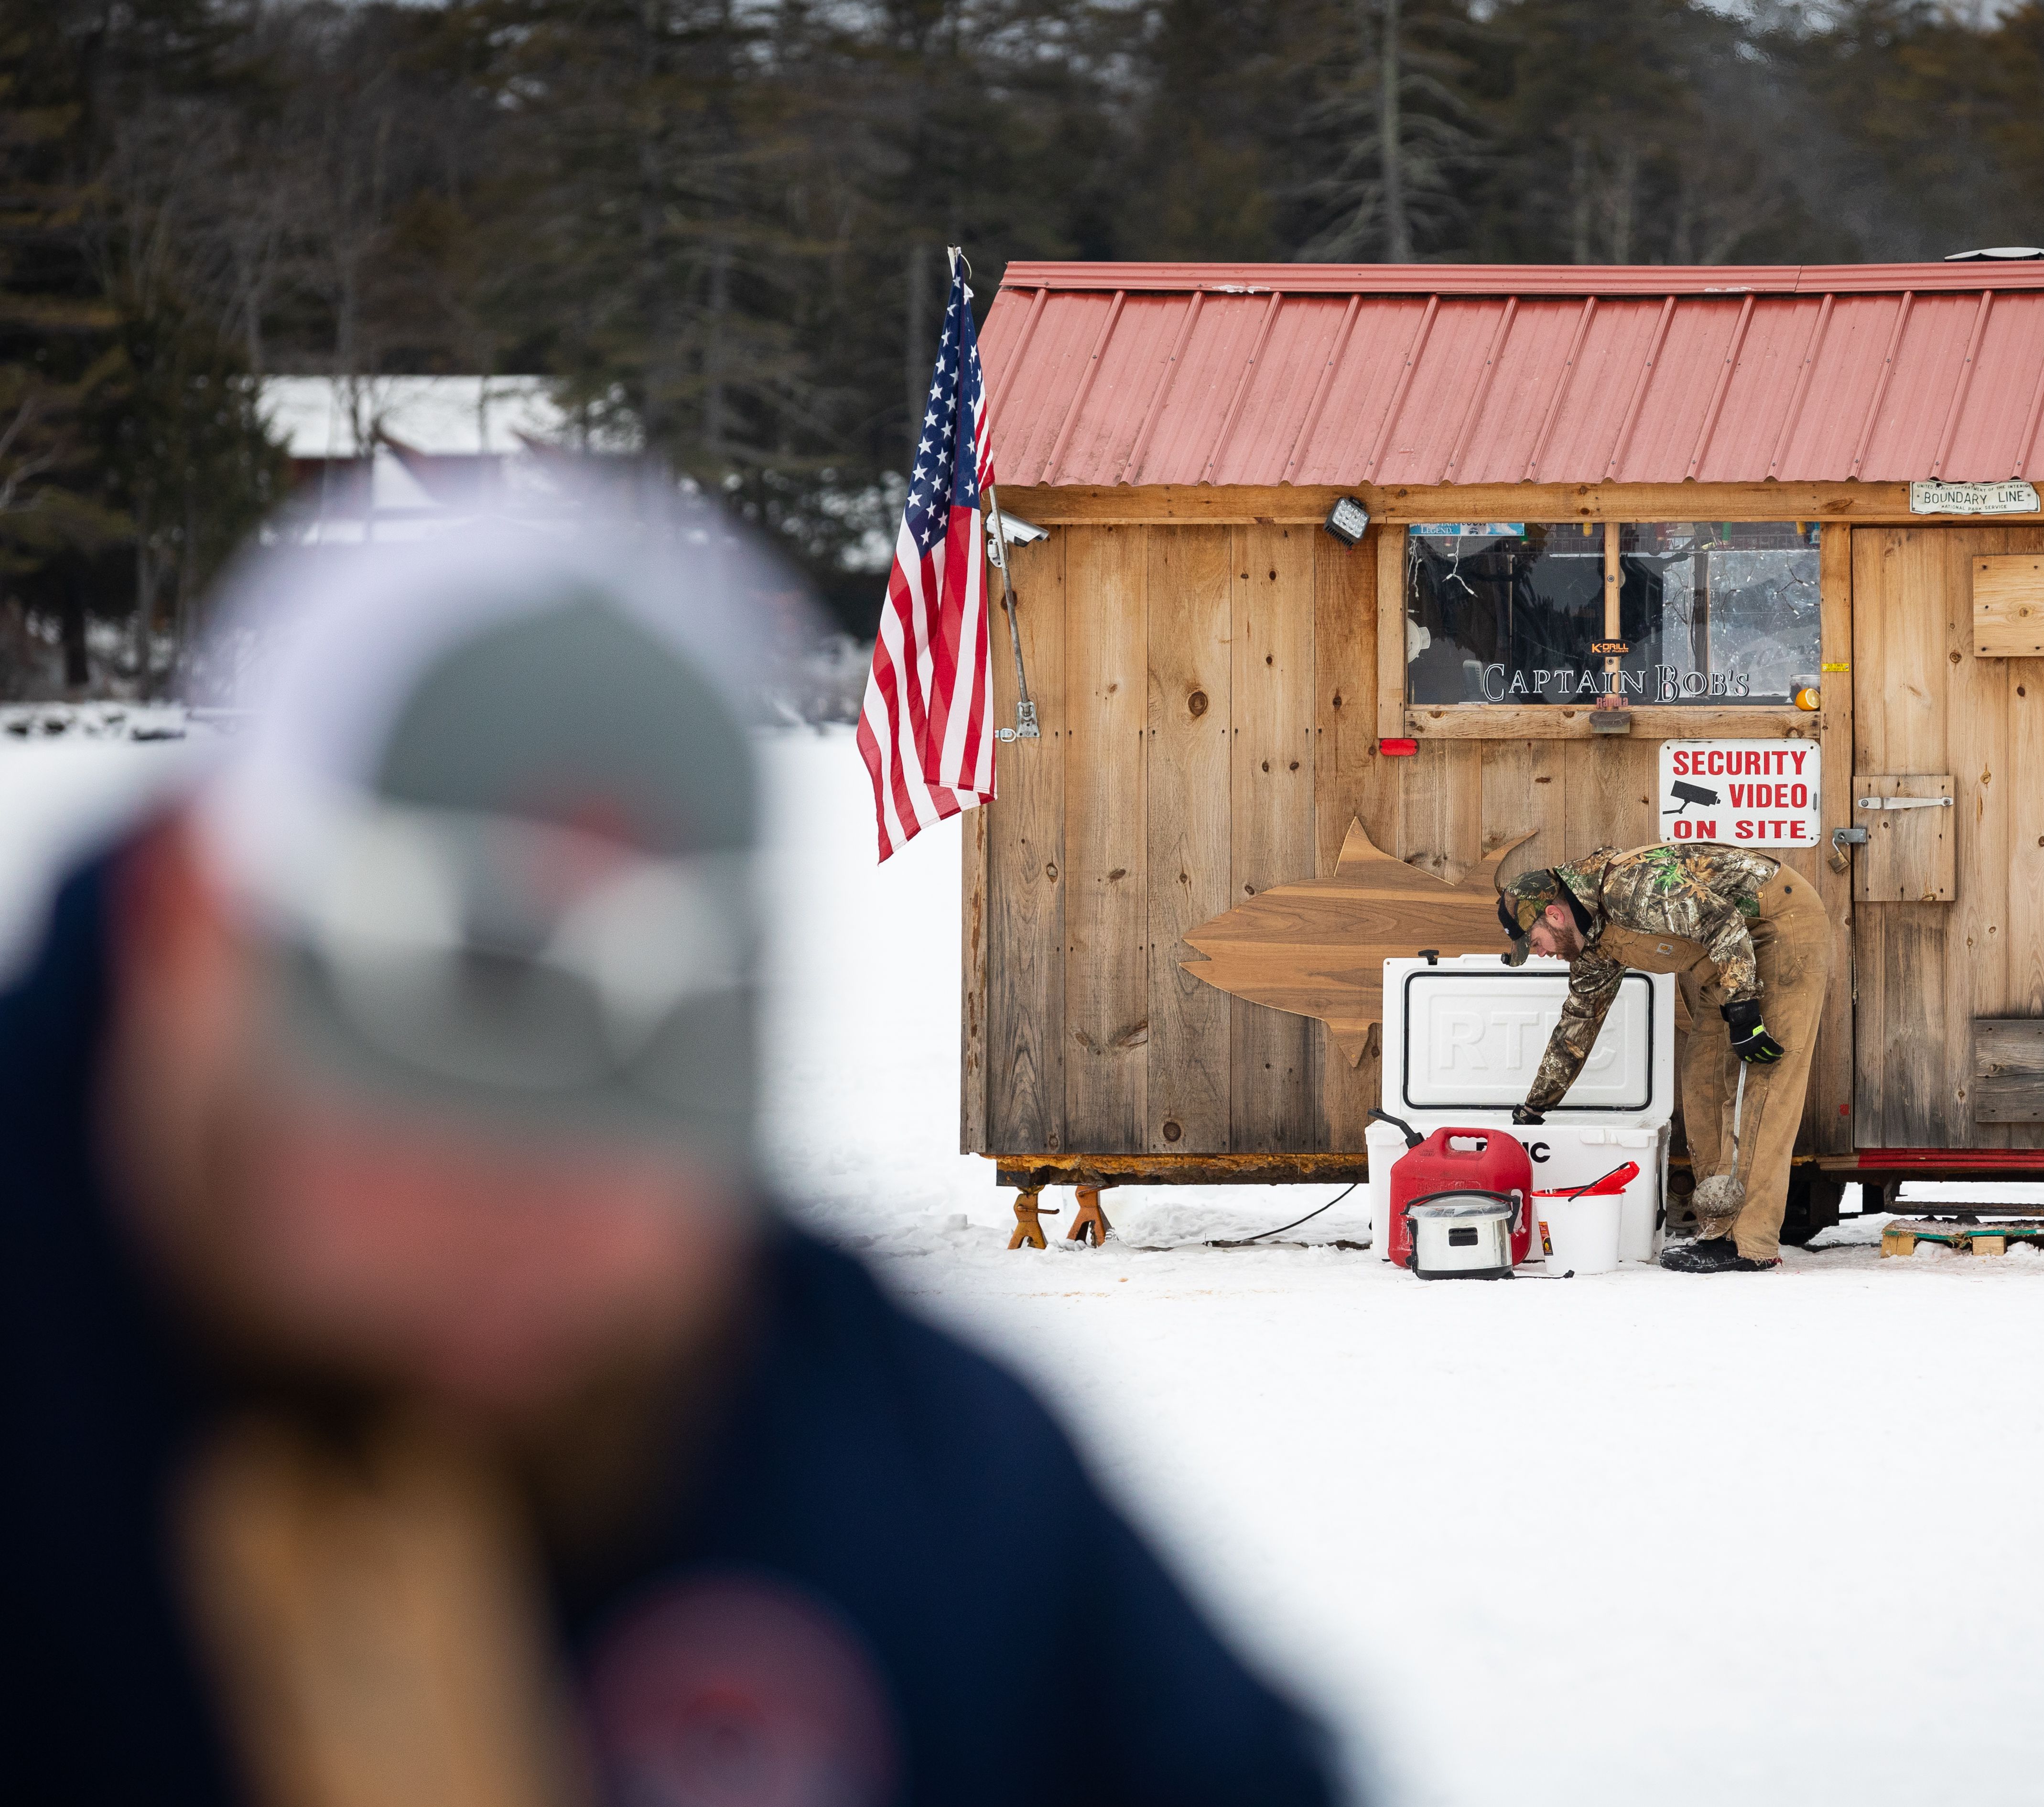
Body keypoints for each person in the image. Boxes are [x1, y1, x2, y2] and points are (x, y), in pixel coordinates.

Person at [0, 513, 1338, 1807]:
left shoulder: (901, 1472)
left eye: (659, 1068)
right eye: (462, 1015)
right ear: (182, 923)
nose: (558, 1216)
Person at [1497, 843, 1831, 1274]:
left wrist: (1745, 1009)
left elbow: (1723, 921)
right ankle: (1717, 1231)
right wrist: (1535, 1106)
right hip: (1724, 961)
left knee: (1758, 1086)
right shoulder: (1593, 944)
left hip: (1777, 928)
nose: (1541, 953)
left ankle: (1749, 1243)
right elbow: (1576, 1026)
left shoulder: (1629, 887)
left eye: (1536, 943)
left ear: (1555, 916)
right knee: (1702, 1080)